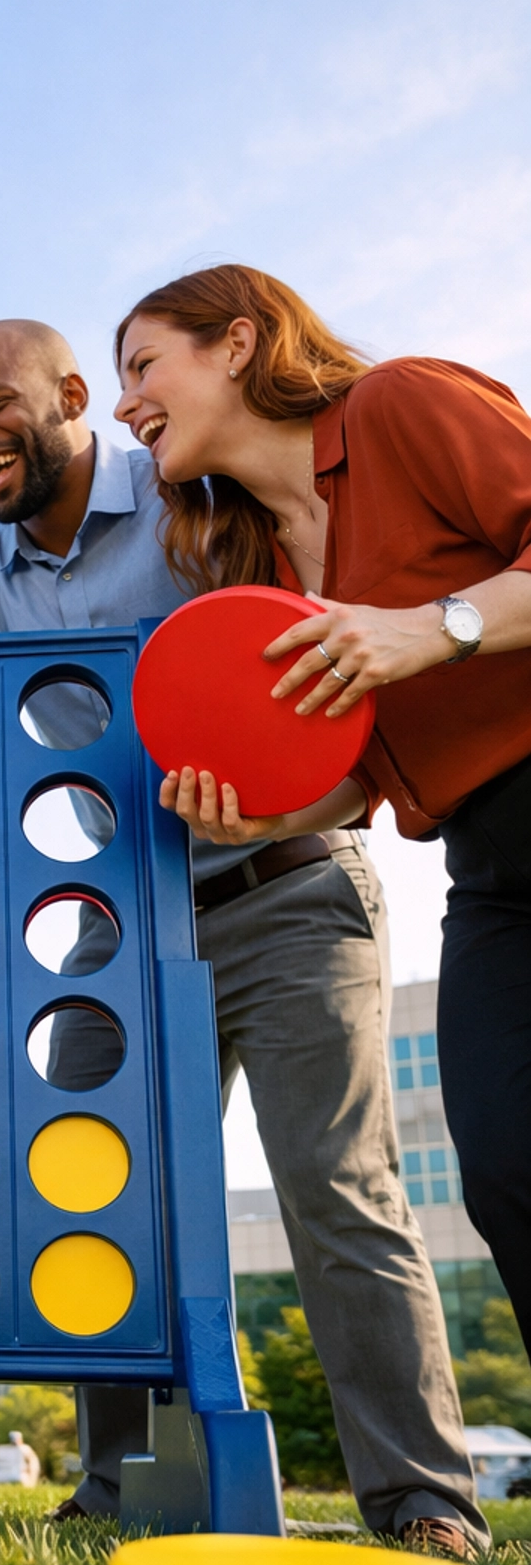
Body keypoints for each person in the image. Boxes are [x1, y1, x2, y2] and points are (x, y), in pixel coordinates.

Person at [0, 316, 487, 1555]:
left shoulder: (195, 496)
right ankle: (122, 1483)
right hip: (117, 926)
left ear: (69, 394)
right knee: (87, 1183)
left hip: (286, 886)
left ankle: (424, 1502)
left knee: (338, 1190)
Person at [113, 264, 531, 1491]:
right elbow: (358, 776)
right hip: (488, 862)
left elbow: (434, 637)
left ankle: (423, 1496)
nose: (131, 404)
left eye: (144, 365)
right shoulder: (260, 565)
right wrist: (258, 808)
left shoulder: (404, 407)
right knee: (505, 1168)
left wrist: (433, 625)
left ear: (238, 342)